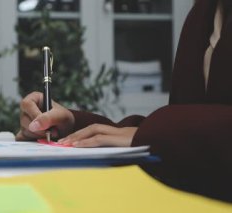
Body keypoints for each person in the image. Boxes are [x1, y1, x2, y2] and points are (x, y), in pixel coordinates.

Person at [16, 0, 232, 202]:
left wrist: (154, 133)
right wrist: (71, 125)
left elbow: (180, 132)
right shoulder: (204, 11)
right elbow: (187, 136)